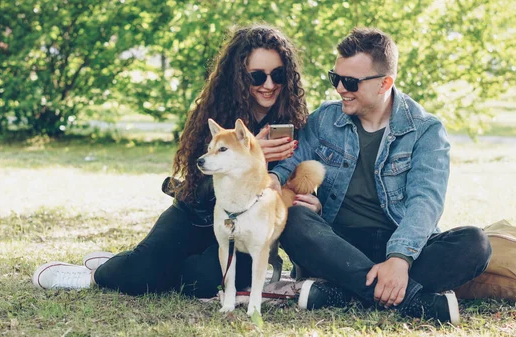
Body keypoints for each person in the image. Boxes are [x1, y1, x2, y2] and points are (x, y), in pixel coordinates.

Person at [31, 24, 309, 299]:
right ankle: (98, 272)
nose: (269, 85)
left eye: (278, 74)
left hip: (242, 232)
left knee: (199, 283)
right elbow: (197, 191)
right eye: (257, 77)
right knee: (139, 276)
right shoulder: (217, 111)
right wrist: (244, 158)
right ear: (239, 77)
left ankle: (154, 265)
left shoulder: (294, 120)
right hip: (196, 216)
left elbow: (291, 186)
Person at [268, 27, 492, 324]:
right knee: (293, 220)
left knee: (476, 243)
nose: (340, 89)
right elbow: (290, 162)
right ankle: (415, 301)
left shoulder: (425, 129)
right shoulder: (325, 119)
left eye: (350, 82)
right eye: (336, 78)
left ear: (385, 82)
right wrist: (273, 180)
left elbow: (425, 202)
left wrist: (399, 259)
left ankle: (345, 292)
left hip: (402, 245)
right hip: (340, 245)